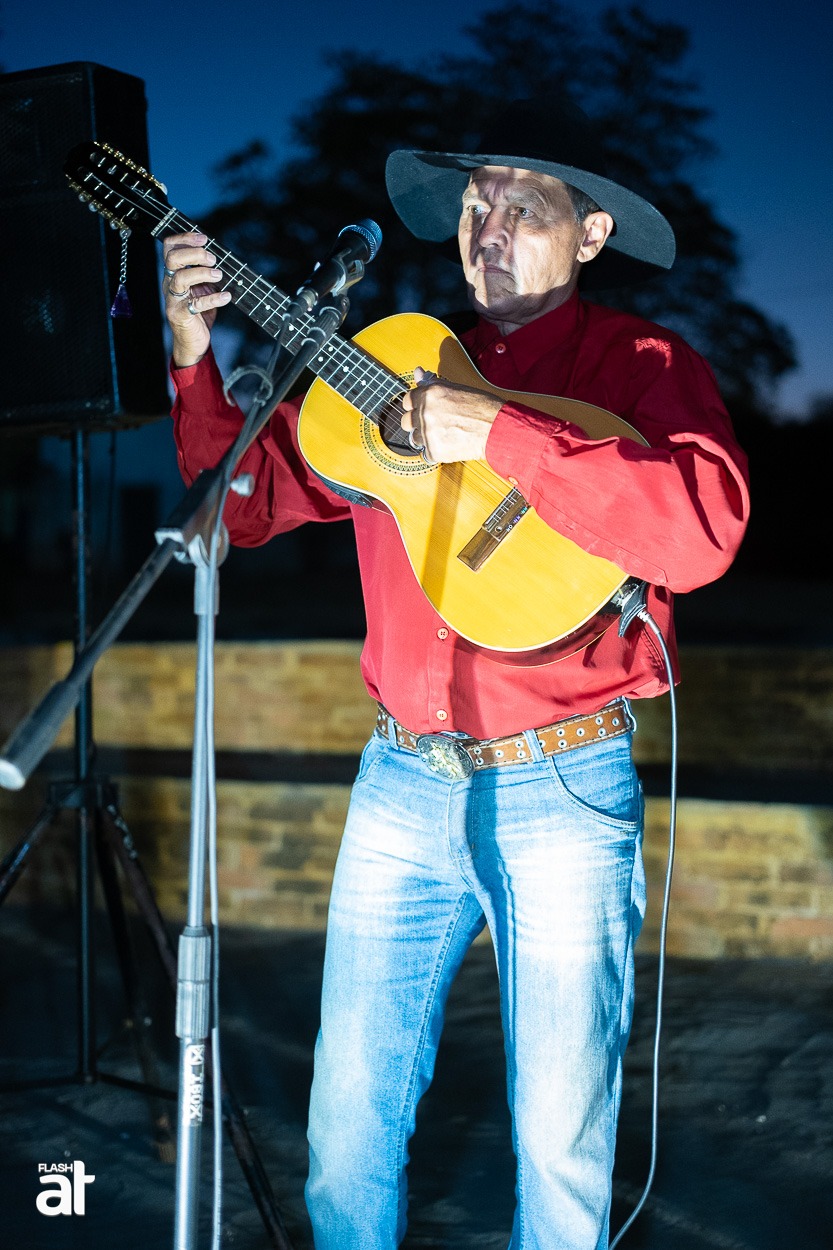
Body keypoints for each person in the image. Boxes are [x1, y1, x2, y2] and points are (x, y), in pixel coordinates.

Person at [163, 98, 749, 1250]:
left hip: (562, 782)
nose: (488, 227)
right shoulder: (394, 364)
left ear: (589, 233)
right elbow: (242, 502)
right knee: (346, 1120)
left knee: (558, 1138)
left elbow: (699, 528)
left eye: (522, 206)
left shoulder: (640, 362)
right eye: (477, 205)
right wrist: (192, 357)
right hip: (398, 781)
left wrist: (498, 434)